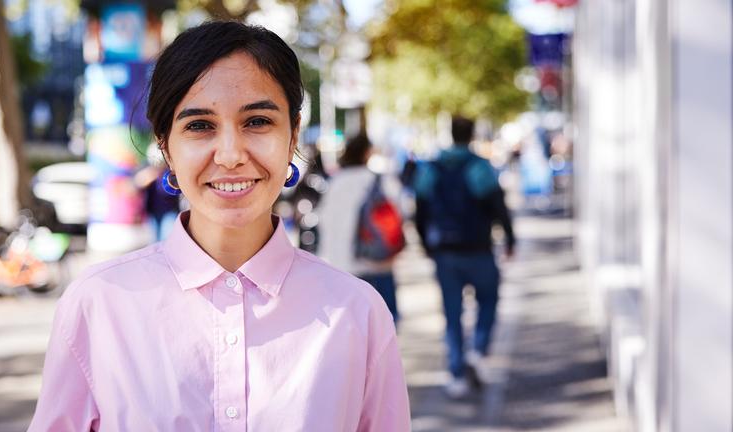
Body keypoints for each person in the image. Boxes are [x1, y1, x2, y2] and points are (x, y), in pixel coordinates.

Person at [29, 21, 410, 431]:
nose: (230, 155)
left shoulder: (357, 312)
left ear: (292, 134)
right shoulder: (97, 305)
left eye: (258, 121)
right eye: (199, 126)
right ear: (165, 146)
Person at [414, 115, 515, 399]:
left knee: (452, 313)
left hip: (445, 253)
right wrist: (509, 238)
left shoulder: (431, 168)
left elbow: (420, 209)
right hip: (479, 249)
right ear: (471, 135)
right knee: (489, 299)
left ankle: (456, 374)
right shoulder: (479, 167)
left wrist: (425, 244)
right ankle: (478, 349)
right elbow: (498, 205)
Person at [317, 134, 401, 322]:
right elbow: (398, 211)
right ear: (367, 153)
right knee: (385, 323)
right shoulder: (377, 181)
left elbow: (325, 221)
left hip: (342, 265)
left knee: (352, 328)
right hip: (377, 261)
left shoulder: (336, 182)